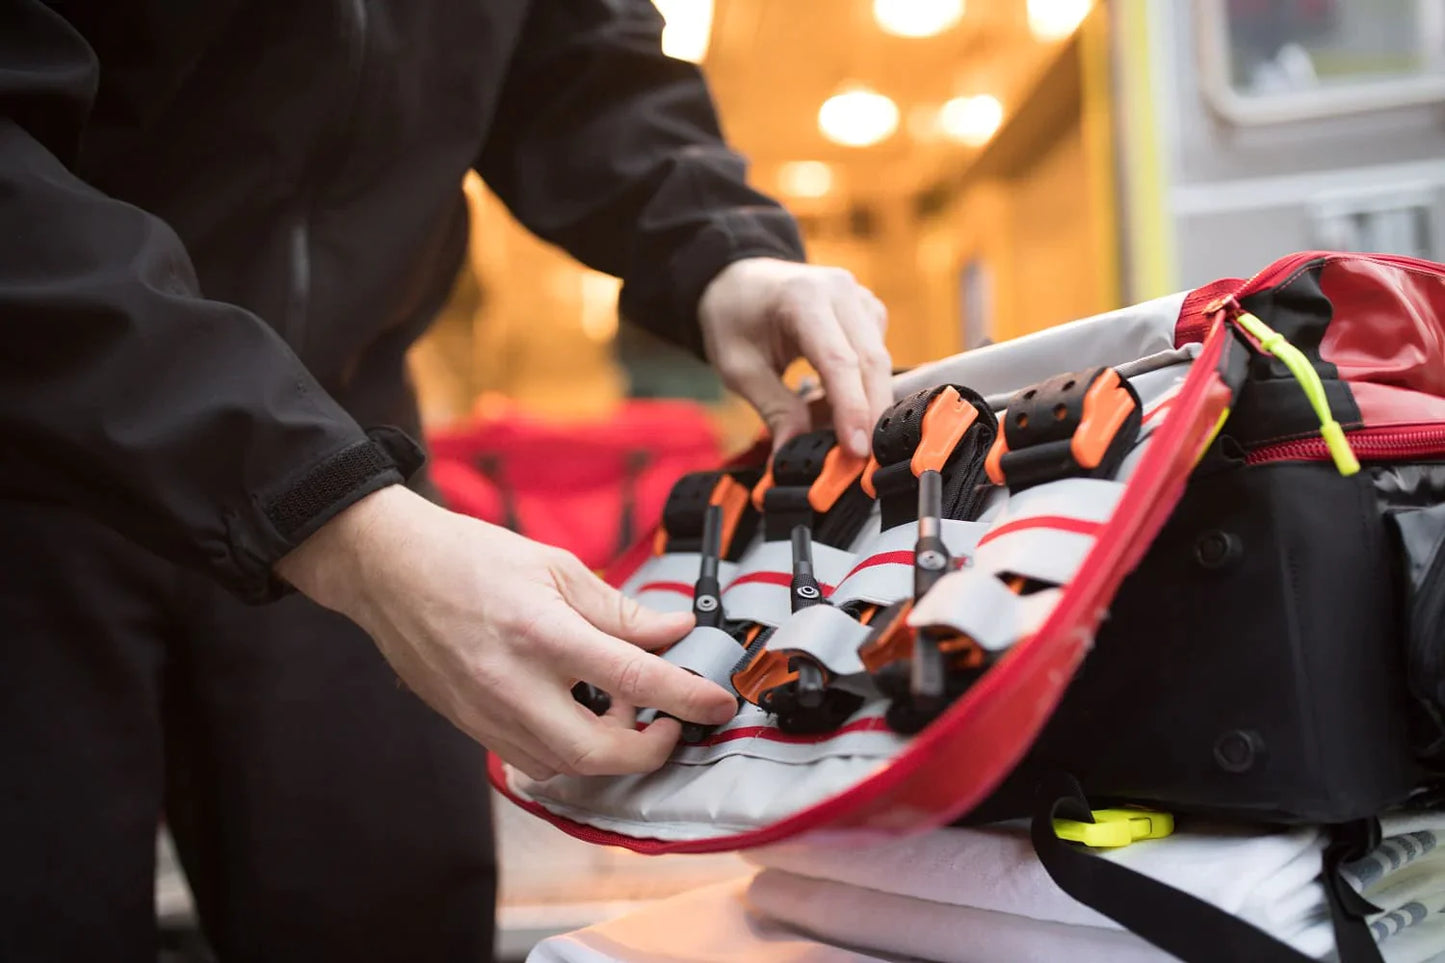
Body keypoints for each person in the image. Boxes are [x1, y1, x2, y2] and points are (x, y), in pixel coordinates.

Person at [0, 2, 892, 961]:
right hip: (40, 452)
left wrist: (721, 248)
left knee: (395, 908)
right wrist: (329, 507)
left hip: (347, 443)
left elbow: (576, 60)